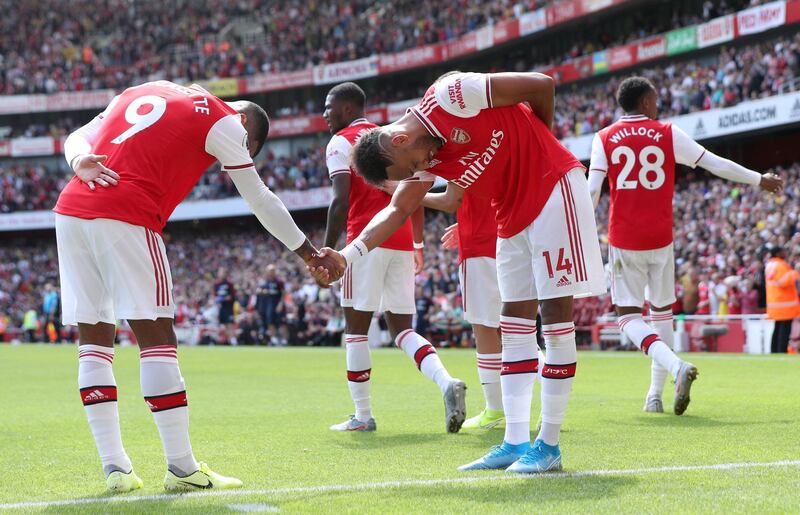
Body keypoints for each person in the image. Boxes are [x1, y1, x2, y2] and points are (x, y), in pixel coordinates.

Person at [312, 71, 605, 474]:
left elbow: (542, 84)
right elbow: (398, 209)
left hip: (552, 186)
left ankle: (549, 444)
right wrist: (347, 255)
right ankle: (515, 441)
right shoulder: (421, 152)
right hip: (509, 211)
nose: (424, 167)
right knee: (514, 324)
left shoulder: (451, 95)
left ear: (399, 140)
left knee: (553, 317)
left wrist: (541, 146)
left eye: (412, 165)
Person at [54, 80, 333, 493]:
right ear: (245, 126)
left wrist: (79, 160)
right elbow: (259, 198)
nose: (230, 160)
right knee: (157, 337)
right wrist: (309, 252)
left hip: (71, 208)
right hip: (127, 213)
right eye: (247, 148)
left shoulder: (146, 88)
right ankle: (182, 470)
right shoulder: (226, 121)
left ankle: (116, 469)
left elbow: (78, 136)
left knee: (94, 338)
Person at [587, 76, 783, 414]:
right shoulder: (667, 133)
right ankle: (654, 395)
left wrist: (579, 230)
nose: (659, 104)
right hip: (661, 239)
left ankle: (676, 368)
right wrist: (757, 179)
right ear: (646, 103)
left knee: (627, 317)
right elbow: (715, 163)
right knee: (663, 314)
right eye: (656, 99)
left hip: (624, 237)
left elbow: (592, 191)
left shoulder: (603, 137)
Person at [321, 82, 466, 433]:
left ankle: (363, 416)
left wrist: (328, 252)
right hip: (400, 240)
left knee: (356, 331)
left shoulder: (343, 143)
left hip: (364, 240)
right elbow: (413, 190)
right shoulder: (395, 136)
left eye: (328, 108)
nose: (324, 115)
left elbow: (340, 201)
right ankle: (446, 381)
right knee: (402, 330)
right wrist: (416, 244)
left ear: (345, 109)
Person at [423, 186, 505, 430]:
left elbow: (451, 200)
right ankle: (551, 396)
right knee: (514, 328)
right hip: (507, 236)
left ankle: (495, 410)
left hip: (479, 244)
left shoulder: (461, 147)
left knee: (484, 328)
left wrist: (406, 191)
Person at [765, 244, 799, 353]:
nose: (785, 253)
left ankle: (774, 351)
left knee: (777, 329)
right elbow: (782, 282)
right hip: (784, 303)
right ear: (778, 253)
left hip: (775, 303)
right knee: (784, 330)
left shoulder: (770, 265)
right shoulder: (780, 265)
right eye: (783, 252)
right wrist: (794, 273)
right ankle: (781, 351)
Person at [255, 264, 284, 343]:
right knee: (269, 321)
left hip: (276, 304)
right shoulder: (264, 281)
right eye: (270, 271)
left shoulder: (279, 282)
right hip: (266, 304)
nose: (271, 272)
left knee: (277, 322)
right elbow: (258, 290)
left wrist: (281, 304)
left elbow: (283, 293)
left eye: (273, 270)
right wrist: (262, 291)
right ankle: (273, 338)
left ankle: (280, 339)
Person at [213, 267, 236, 344]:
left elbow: (233, 296)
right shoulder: (216, 284)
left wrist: (225, 298)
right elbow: (215, 295)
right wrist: (217, 300)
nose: (221, 274)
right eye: (220, 272)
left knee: (229, 324)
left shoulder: (230, 284)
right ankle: (229, 341)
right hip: (220, 307)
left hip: (228, 307)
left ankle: (234, 341)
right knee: (224, 326)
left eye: (223, 272)